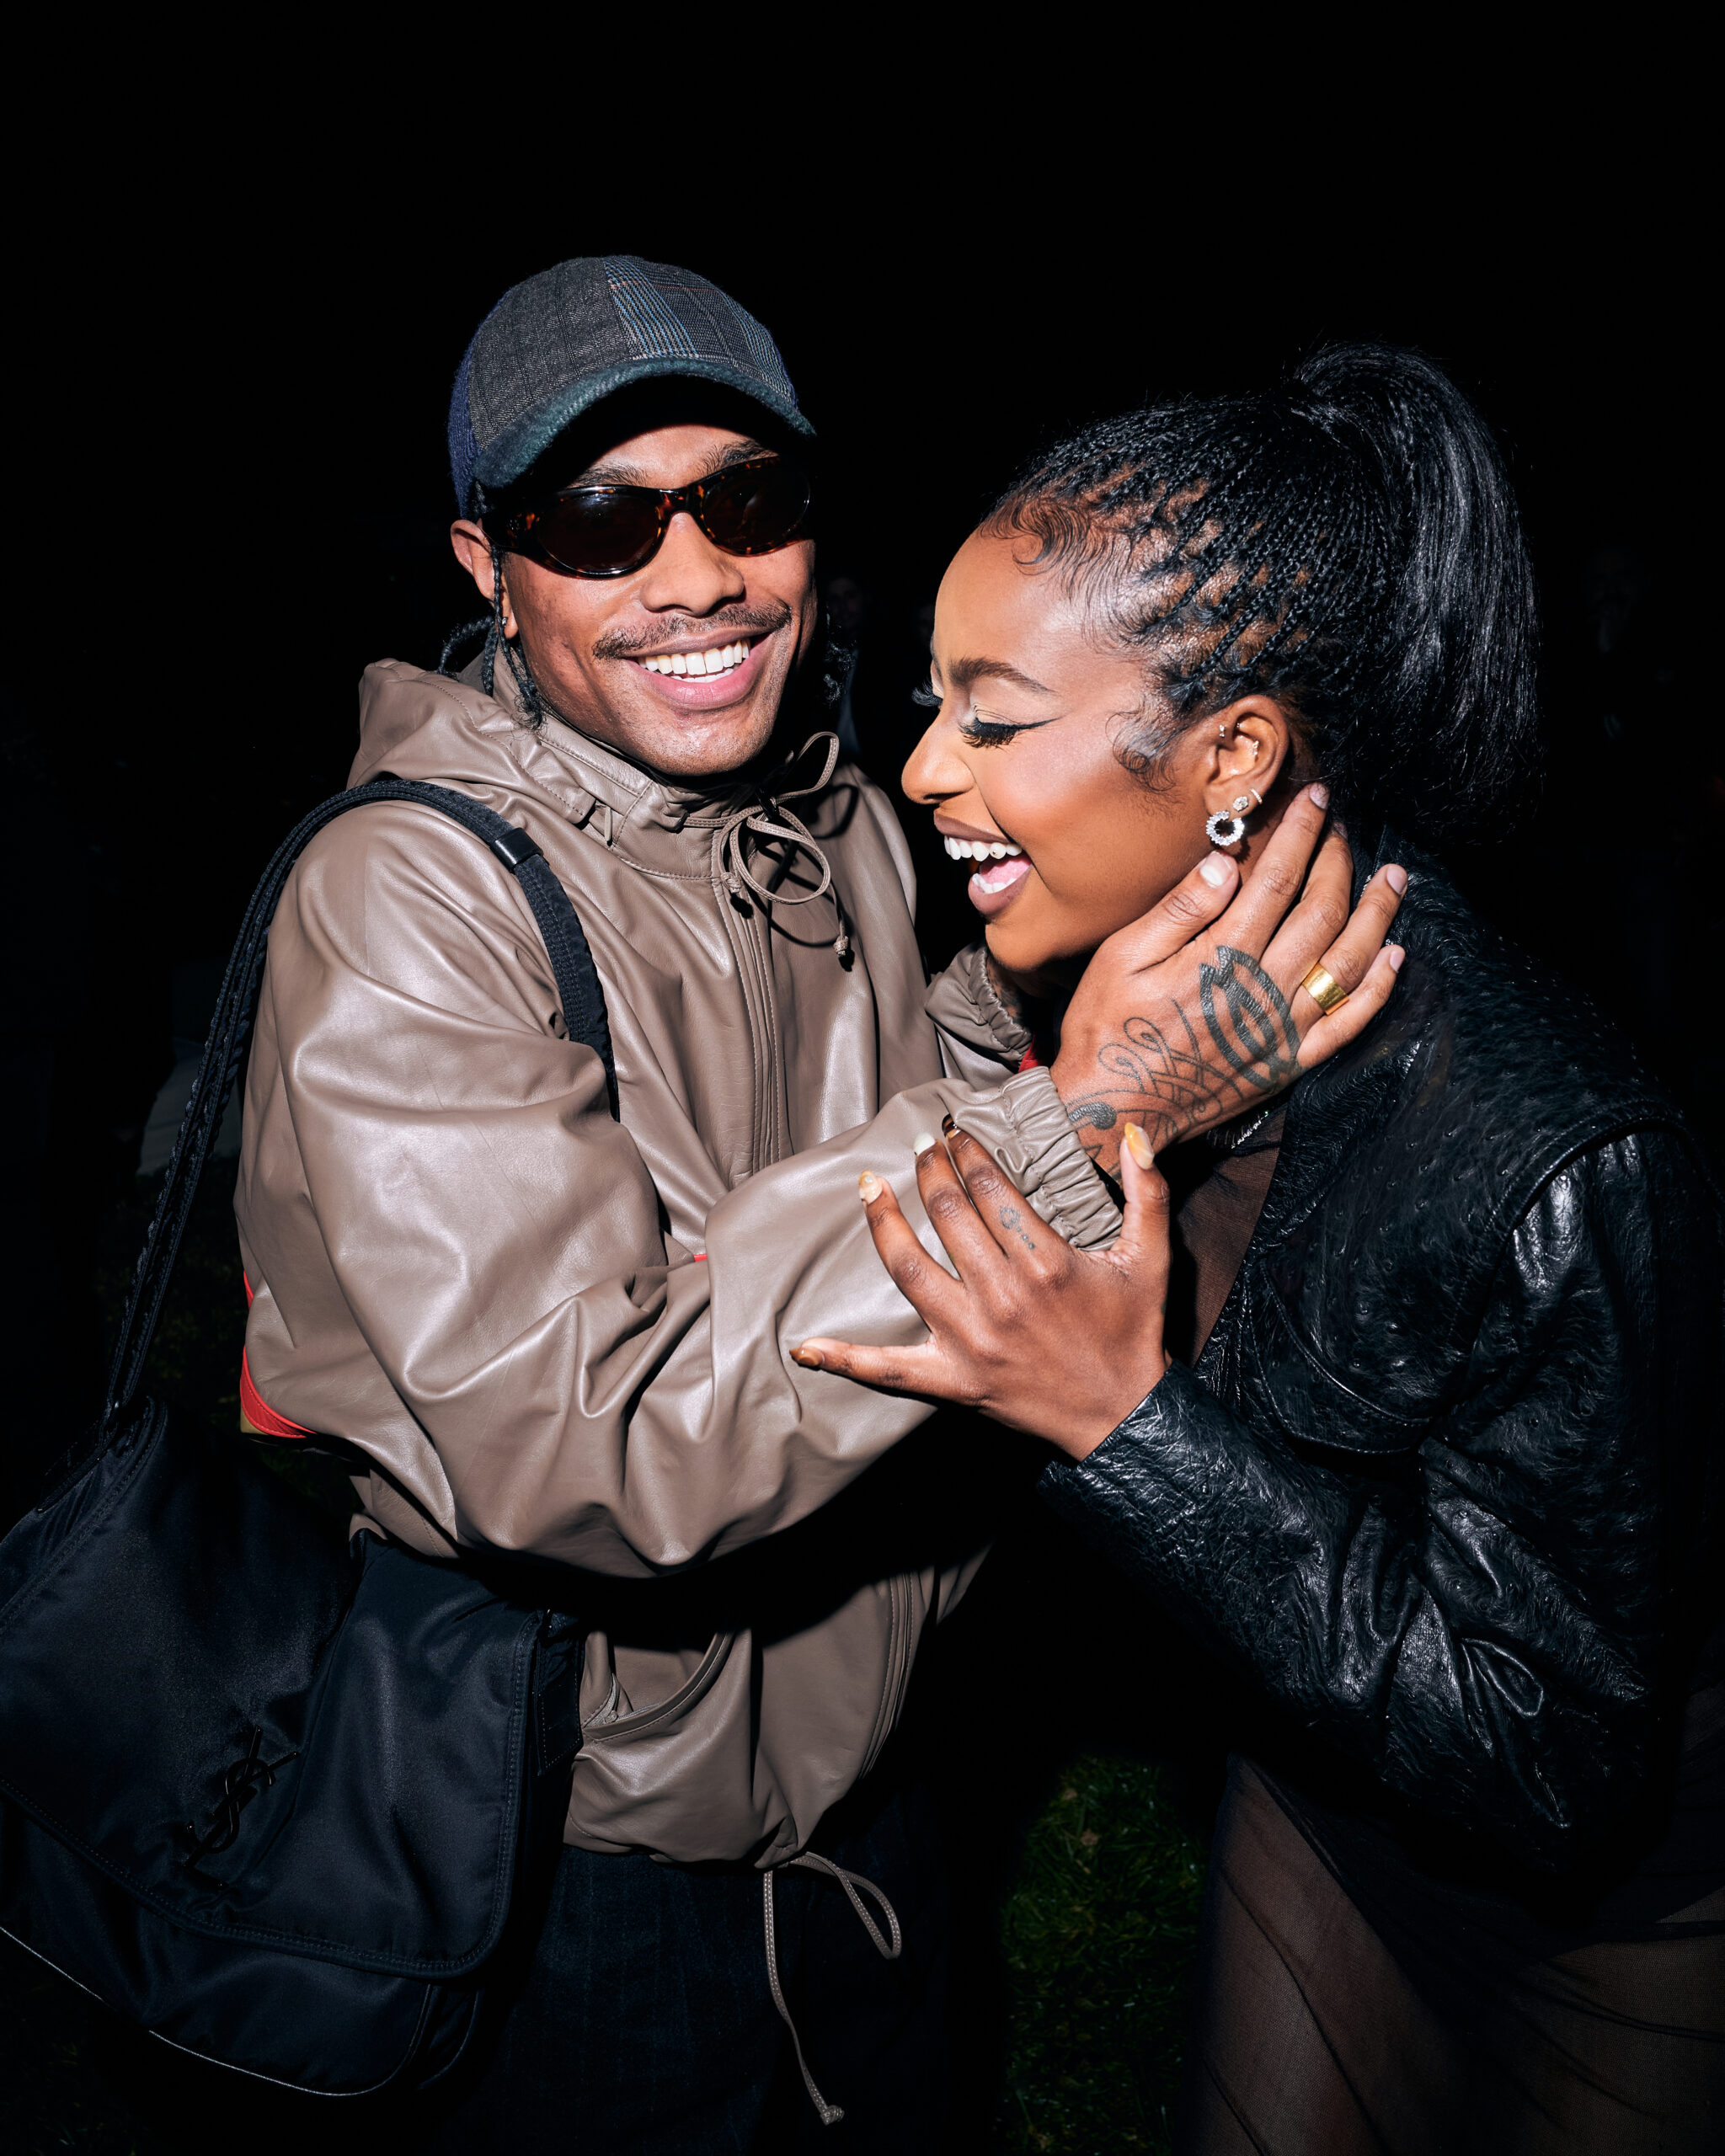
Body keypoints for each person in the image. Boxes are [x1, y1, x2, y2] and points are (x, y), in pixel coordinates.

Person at [229, 259, 1396, 2153]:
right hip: (596, 1860)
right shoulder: (405, 900)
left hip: (881, 1786)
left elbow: (910, 1089)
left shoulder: (831, 807)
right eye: (599, 523)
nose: (695, 575)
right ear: (487, 569)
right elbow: (591, 1435)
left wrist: (1079, 971)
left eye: (747, 501)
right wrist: (1092, 1107)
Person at [798, 344, 1725, 2153]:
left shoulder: (1563, 1162)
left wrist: (1124, 1428)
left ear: (1231, 755)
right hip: (1321, 1806)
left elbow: (1548, 1761)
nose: (919, 767)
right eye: (931, 701)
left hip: (1609, 1921)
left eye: (994, 719)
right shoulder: (1095, 1014)